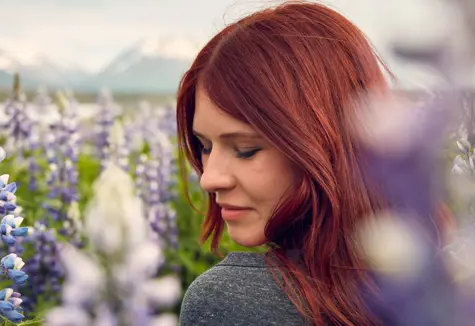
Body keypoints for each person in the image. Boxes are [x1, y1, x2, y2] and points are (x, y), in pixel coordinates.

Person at [176, 2, 453, 325]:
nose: (209, 178)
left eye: (246, 149)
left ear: (322, 144)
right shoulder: (447, 284)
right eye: (205, 147)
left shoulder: (227, 300)